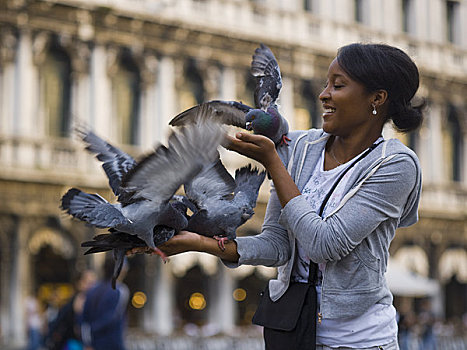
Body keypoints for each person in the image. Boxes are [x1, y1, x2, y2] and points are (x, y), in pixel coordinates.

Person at [130, 43, 423, 349]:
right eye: (325, 85)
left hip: (360, 341)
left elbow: (325, 244)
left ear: (377, 98)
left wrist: (273, 163)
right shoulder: (300, 148)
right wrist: (201, 244)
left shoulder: (396, 165)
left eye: (338, 86)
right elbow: (277, 245)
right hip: (292, 333)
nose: (323, 95)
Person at [81, 255, 129, 350]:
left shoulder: (92, 290)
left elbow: (84, 319)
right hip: (113, 342)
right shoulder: (120, 290)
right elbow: (112, 318)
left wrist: (88, 339)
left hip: (95, 342)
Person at [45, 269, 97, 350]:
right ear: (80, 283)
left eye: (94, 283)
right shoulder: (79, 300)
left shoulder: (89, 300)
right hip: (75, 344)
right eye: (88, 283)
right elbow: (78, 328)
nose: (92, 286)